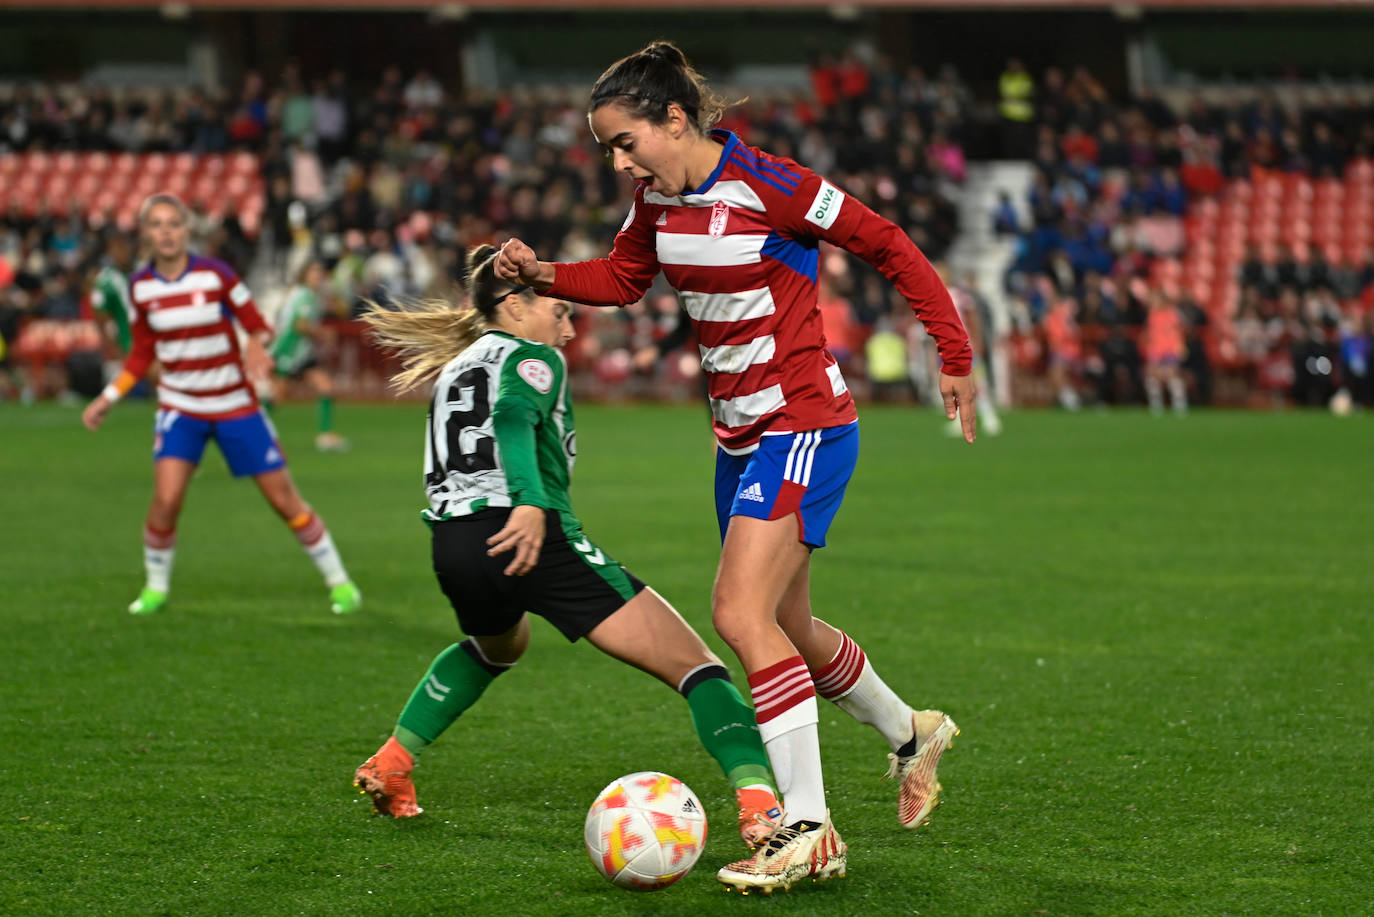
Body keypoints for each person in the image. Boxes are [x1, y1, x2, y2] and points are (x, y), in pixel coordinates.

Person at [495, 41, 973, 893]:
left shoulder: (775, 185)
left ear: (674, 119)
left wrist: (954, 350)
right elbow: (622, 276)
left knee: (737, 612)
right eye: (608, 147)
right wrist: (542, 272)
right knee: (786, 626)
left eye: (625, 140)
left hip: (805, 424)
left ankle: (809, 827)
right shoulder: (655, 200)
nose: (618, 160)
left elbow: (889, 243)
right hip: (739, 439)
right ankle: (913, 733)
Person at [353, 245, 784, 850]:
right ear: (514, 304)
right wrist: (530, 502)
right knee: (701, 669)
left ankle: (392, 761)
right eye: (559, 310)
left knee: (499, 646)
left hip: (454, 543)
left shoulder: (457, 366)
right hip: (530, 532)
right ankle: (760, 806)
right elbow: (509, 417)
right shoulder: (534, 359)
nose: (569, 325)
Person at [80, 193, 362, 616]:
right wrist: (108, 397)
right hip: (181, 408)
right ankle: (155, 589)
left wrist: (252, 343)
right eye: (157, 225)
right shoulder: (141, 287)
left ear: (186, 230)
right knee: (167, 500)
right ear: (146, 234)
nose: (167, 232)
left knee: (285, 501)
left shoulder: (216, 275)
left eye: (174, 223)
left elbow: (258, 325)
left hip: (235, 404)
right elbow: (141, 353)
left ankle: (340, 584)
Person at [269, 259, 348, 451]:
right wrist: (323, 333)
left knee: (325, 386)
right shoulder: (304, 296)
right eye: (313, 272)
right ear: (305, 275)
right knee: (277, 397)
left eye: (320, 272)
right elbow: (300, 325)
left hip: (302, 351)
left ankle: (326, 436)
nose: (318, 276)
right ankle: (247, 430)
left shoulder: (306, 294)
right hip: (290, 349)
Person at [1142, 290, 1188, 415]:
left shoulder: (1173, 314)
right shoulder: (1152, 315)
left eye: (1154, 299)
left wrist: (1180, 346)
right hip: (1156, 350)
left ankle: (1179, 404)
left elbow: (1179, 332)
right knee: (1152, 376)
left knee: (1172, 375)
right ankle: (1156, 404)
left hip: (1170, 349)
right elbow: (1151, 334)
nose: (1152, 302)